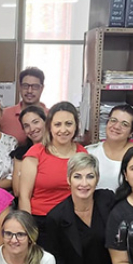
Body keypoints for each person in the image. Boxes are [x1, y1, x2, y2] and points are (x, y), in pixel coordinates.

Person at [19, 101, 87, 248]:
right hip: (41, 222)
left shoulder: (82, 153)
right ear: (49, 127)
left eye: (68, 124)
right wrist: (28, 231)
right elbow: (24, 196)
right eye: (57, 125)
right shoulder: (36, 153)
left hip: (72, 222)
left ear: (76, 126)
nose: (63, 130)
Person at [0, 67, 49, 146]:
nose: (29, 91)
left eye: (35, 86)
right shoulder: (4, 115)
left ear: (42, 88)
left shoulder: (51, 115)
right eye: (25, 86)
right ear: (20, 87)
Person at [10, 105, 46, 200]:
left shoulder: (57, 150)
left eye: (36, 122)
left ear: (46, 122)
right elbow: (17, 191)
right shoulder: (20, 154)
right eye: (26, 126)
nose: (32, 129)